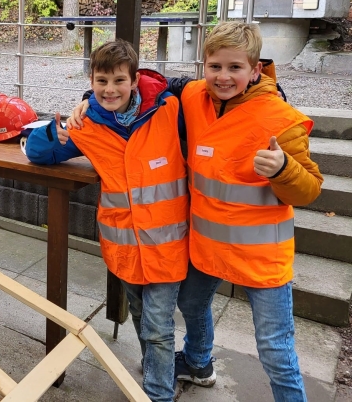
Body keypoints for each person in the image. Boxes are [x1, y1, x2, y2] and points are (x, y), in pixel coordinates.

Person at [70, 23, 323, 401]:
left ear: (256, 69)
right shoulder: (193, 97)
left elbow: (310, 189)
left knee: (274, 349)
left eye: (235, 68)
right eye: (214, 67)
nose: (223, 77)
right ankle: (198, 363)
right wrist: (89, 99)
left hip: (262, 258)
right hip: (205, 247)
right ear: (203, 66)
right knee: (190, 305)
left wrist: (285, 169)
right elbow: (147, 84)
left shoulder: (280, 119)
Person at [24, 40, 189, 402]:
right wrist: (57, 132)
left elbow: (209, 99)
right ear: (91, 80)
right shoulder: (89, 122)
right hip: (125, 245)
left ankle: (159, 394)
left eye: (118, 80)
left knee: (159, 326)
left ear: (134, 79)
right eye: (101, 81)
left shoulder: (169, 110)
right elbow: (36, 153)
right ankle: (155, 367)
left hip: (168, 244)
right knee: (143, 314)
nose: (110, 89)